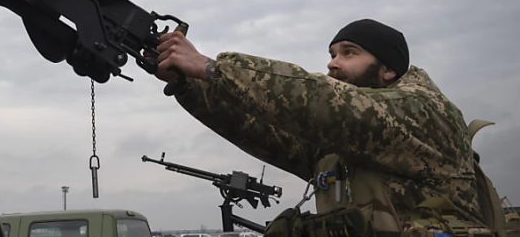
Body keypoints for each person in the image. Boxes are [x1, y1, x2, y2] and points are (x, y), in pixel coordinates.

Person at [155, 18, 485, 235]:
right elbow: (263, 130)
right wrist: (190, 84)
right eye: (331, 53)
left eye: (349, 53)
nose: (332, 62)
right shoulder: (343, 143)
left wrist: (214, 68)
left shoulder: (425, 111)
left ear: (387, 70)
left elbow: (323, 101)